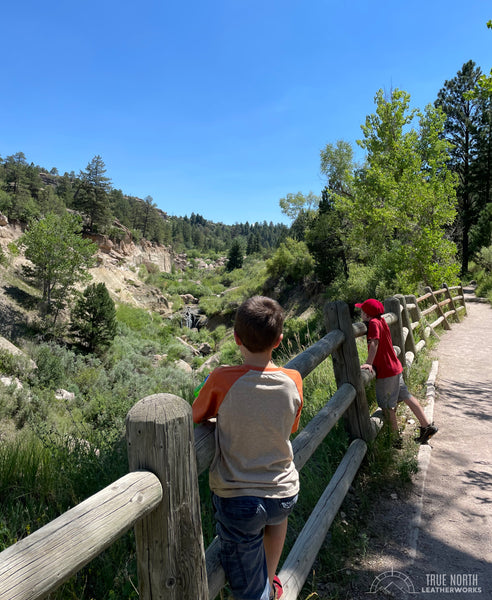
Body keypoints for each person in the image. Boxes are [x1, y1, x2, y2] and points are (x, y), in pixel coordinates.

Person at [192, 296, 303, 600]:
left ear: (236, 338)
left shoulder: (221, 378)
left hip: (239, 499)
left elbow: (196, 414)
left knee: (248, 592)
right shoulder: (293, 380)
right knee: (277, 519)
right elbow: (290, 427)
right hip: (283, 493)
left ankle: (262, 590)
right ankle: (270, 578)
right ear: (279, 341)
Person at [355, 298, 438, 447]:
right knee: (406, 396)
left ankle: (395, 438)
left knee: (387, 406)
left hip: (386, 372)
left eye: (362, 312)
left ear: (367, 315)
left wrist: (368, 363)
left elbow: (374, 343)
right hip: (395, 367)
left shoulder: (373, 323)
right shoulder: (381, 321)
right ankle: (427, 426)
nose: (360, 314)